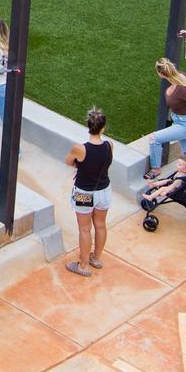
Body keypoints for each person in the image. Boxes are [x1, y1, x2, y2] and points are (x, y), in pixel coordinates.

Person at [64, 107, 113, 277]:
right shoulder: (109, 145)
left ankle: (83, 266)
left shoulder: (79, 148)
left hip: (84, 191)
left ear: (88, 126)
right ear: (103, 128)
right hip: (104, 191)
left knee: (85, 230)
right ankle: (96, 258)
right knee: (100, 225)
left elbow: (69, 161)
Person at [146, 59, 186, 176]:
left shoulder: (180, 87)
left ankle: (155, 169)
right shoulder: (182, 77)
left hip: (185, 124)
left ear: (161, 74)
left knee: (154, 139)